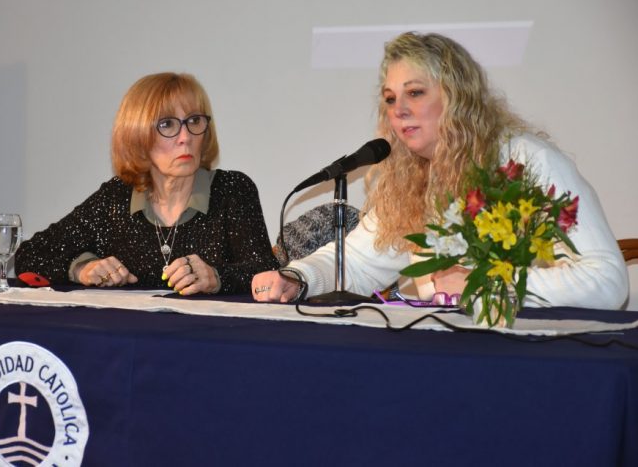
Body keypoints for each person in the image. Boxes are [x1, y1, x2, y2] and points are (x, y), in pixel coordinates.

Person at [251, 32, 628, 309]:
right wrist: (297, 277)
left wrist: (485, 284)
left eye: (415, 93)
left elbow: (607, 281)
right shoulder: (410, 177)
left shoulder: (528, 161)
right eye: (390, 99)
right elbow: (360, 262)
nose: (399, 110)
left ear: (456, 96)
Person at [16, 72, 279, 294]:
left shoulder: (232, 189)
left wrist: (216, 276)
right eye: (167, 124)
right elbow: (29, 255)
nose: (185, 137)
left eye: (194, 121)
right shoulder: (115, 198)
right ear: (137, 136)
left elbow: (265, 271)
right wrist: (81, 269)